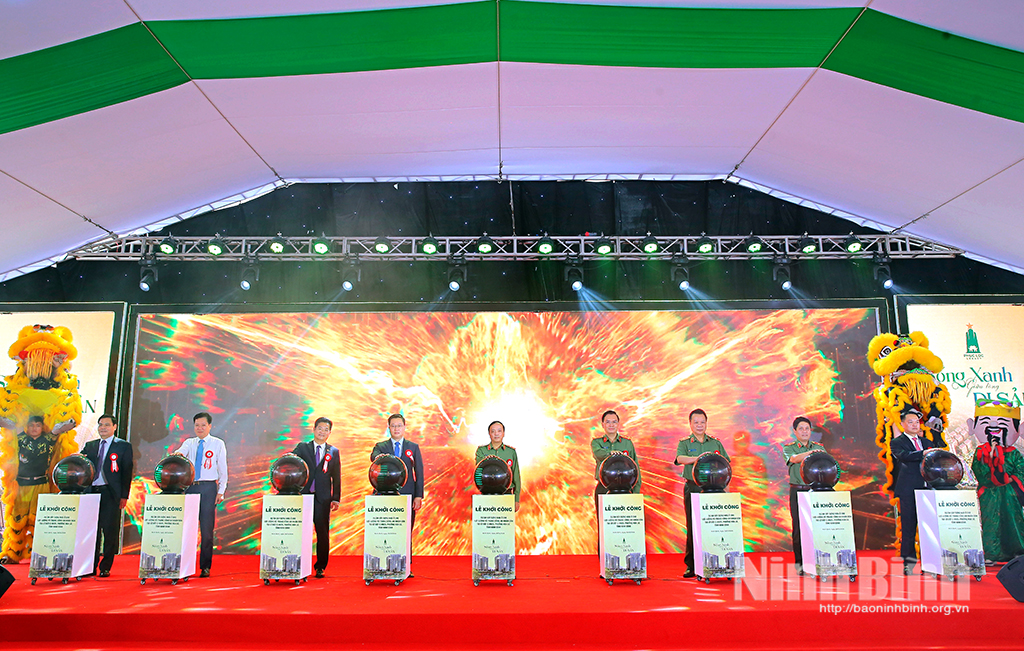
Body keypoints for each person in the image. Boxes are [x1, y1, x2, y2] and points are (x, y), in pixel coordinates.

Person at [674, 408, 729, 578]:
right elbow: (679, 459)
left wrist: (726, 489)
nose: (699, 425)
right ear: (690, 424)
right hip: (693, 487)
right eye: (696, 422)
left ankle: (716, 561)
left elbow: (725, 462)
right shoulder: (685, 443)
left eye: (702, 422)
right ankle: (692, 565)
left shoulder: (715, 443)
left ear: (707, 423)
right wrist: (700, 459)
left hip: (715, 488)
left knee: (714, 525)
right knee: (693, 526)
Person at [968, 400, 1024, 563]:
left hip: (1010, 494)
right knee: (991, 523)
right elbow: (979, 471)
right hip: (989, 493)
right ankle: (992, 553)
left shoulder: (1014, 453)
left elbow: (1021, 471)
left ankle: (1018, 551)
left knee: (1014, 521)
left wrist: (1010, 481)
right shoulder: (980, 452)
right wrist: (992, 464)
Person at [891, 407, 944, 574]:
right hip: (908, 490)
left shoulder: (927, 442)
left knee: (929, 527)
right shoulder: (897, 442)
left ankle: (930, 563)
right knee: (908, 526)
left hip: (927, 489)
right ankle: (909, 563)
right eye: (910, 422)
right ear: (902, 424)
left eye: (917, 422)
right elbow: (904, 456)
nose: (914, 425)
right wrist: (923, 453)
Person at [174, 412, 228, 577]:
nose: (200, 428)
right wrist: (178, 454)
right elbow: (181, 452)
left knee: (206, 529)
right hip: (190, 487)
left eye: (203, 425)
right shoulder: (189, 443)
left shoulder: (217, 443)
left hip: (208, 488)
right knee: (187, 528)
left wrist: (221, 491)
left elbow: (223, 469)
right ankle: (185, 565)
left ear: (210, 426)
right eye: (197, 425)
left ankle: (205, 566)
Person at [82, 414, 133, 577]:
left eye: (106, 425)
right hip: (91, 493)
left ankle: (105, 567)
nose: (102, 428)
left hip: (111, 493)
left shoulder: (123, 446)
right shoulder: (90, 446)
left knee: (110, 531)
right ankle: (90, 567)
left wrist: (124, 496)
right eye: (100, 425)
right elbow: (81, 463)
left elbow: (126, 472)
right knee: (91, 532)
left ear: (114, 427)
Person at [0, 416, 57, 564]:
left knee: (40, 519)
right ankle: (13, 553)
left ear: (42, 427)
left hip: (41, 485)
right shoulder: (20, 438)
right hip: (22, 486)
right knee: (17, 518)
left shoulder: (49, 439)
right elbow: (12, 423)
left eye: (38, 425)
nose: (34, 428)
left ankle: (40, 555)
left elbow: (62, 427)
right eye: (31, 425)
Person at [292, 417, 340, 577]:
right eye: (320, 428)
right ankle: (299, 564)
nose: (322, 431)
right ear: (314, 430)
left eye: (326, 429)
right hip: (303, 496)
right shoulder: (302, 448)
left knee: (322, 532)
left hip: (323, 498)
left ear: (329, 433)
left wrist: (336, 498)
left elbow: (336, 477)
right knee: (301, 532)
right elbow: (291, 462)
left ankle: (320, 566)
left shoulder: (333, 452)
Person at [783, 416, 825, 571]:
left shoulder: (819, 447)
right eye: (801, 428)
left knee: (817, 526)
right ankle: (800, 563)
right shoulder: (789, 447)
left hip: (815, 490)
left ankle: (818, 560)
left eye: (807, 428)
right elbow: (793, 459)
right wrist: (812, 454)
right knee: (798, 528)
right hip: (797, 490)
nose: (804, 431)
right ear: (795, 431)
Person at [370, 414, 424, 530]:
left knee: (406, 531)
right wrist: (379, 457)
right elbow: (374, 456)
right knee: (386, 531)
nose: (396, 429)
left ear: (404, 427)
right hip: (384, 494)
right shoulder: (381, 446)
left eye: (399, 426)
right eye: (393, 426)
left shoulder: (413, 447)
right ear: (389, 427)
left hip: (408, 494)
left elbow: (419, 472)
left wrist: (418, 496)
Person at [591, 410, 642, 512]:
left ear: (618, 424)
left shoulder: (627, 444)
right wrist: (611, 453)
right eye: (608, 422)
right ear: (603, 424)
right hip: (604, 488)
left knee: (625, 523)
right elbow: (598, 454)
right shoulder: (597, 443)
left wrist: (635, 492)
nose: (611, 425)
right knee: (603, 523)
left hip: (626, 489)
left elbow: (635, 467)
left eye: (614, 422)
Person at [475, 421, 521, 512]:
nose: (496, 434)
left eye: (499, 431)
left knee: (505, 524)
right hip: (486, 494)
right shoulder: (481, 451)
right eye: (493, 431)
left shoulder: (511, 452)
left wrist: (516, 499)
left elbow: (516, 476)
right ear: (489, 433)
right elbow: (478, 470)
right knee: (487, 523)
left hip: (507, 494)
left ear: (503, 433)